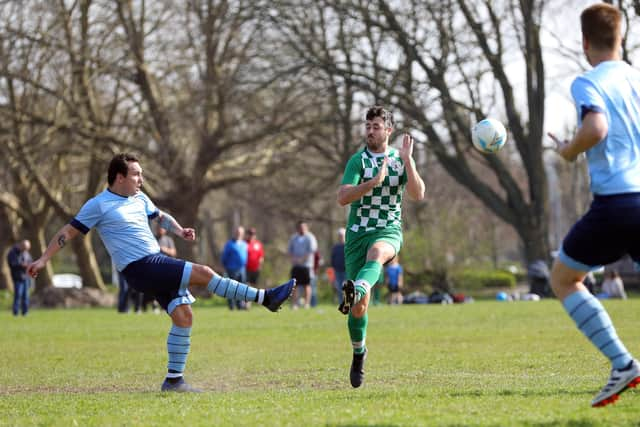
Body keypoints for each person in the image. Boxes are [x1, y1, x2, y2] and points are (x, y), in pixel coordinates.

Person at [27, 153, 295, 392]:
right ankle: (266, 298)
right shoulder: (98, 205)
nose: (141, 179)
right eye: (136, 174)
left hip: (154, 261)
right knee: (203, 272)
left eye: (141, 174)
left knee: (184, 316)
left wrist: (179, 230)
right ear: (119, 177)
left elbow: (160, 216)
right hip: (140, 267)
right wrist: (42, 260)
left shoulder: (139, 197)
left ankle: (174, 381)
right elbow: (67, 232)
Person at [547, 3, 640, 407]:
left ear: (584, 42)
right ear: (619, 37)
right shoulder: (637, 80)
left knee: (564, 279)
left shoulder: (589, 82)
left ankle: (623, 364)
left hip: (617, 203)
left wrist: (568, 151)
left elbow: (596, 127)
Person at [337, 105, 425, 387]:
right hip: (357, 234)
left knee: (378, 254)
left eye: (376, 127)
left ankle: (360, 286)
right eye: (368, 126)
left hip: (388, 230)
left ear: (389, 130)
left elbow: (418, 194)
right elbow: (343, 197)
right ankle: (359, 352)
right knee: (358, 310)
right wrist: (372, 183)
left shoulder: (399, 160)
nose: (370, 131)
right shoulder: (358, 161)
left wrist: (408, 161)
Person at [287, 221, 317, 309]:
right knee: (294, 285)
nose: (302, 229)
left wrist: (302, 259)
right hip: (296, 265)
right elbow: (289, 250)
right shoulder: (294, 238)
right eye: (300, 228)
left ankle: (306, 304)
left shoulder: (310, 237)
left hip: (306, 265)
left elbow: (312, 250)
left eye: (304, 227)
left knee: (306, 285)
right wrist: (294, 259)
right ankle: (294, 304)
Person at [221, 226, 248, 310]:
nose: (238, 234)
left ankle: (240, 305)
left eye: (240, 233)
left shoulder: (244, 244)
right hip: (231, 269)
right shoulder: (229, 244)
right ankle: (231, 306)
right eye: (237, 232)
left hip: (242, 269)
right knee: (231, 288)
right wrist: (225, 267)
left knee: (241, 288)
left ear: (242, 234)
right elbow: (224, 257)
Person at [7, 240, 33, 316]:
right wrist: (22, 265)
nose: (26, 250)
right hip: (18, 277)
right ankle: (15, 312)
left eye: (27, 249)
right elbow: (13, 264)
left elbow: (30, 261)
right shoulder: (12, 252)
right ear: (21, 245)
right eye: (25, 248)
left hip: (26, 277)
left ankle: (25, 312)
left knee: (26, 295)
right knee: (18, 294)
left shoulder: (26, 253)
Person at [245, 227, 265, 310]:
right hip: (246, 269)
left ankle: (250, 302)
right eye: (250, 234)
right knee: (246, 286)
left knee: (253, 287)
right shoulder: (244, 244)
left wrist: (260, 265)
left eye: (253, 234)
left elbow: (261, 256)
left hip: (255, 269)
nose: (251, 235)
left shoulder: (258, 244)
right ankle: (246, 304)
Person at [330, 228, 346, 305]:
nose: (341, 237)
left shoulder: (347, 246)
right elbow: (333, 258)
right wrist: (333, 268)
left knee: (346, 287)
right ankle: (341, 302)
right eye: (339, 236)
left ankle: (347, 302)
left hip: (346, 270)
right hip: (337, 270)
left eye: (342, 235)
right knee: (339, 288)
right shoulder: (335, 247)